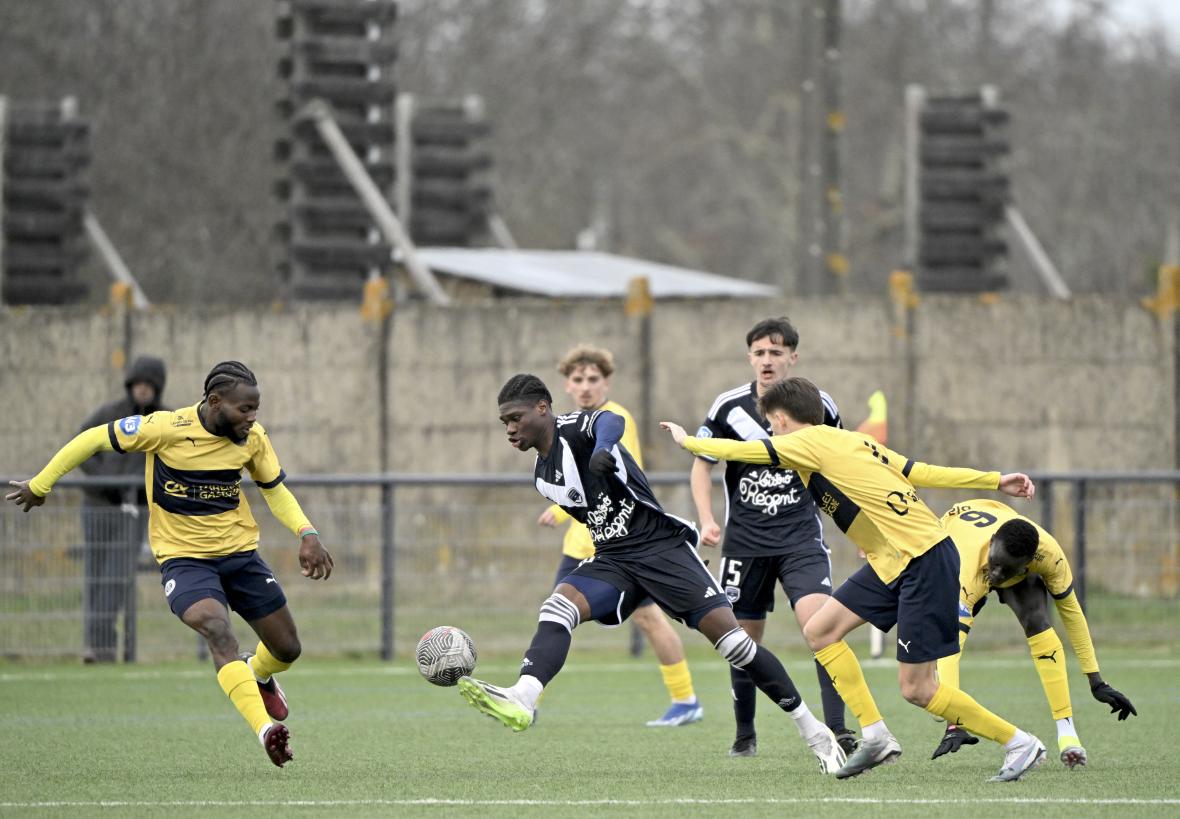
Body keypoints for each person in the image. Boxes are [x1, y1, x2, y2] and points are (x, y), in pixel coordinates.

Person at [661, 376, 1047, 782]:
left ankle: (1019, 742)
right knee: (820, 630)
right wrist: (994, 479)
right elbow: (921, 470)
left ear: (782, 419)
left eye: (773, 425)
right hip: (891, 561)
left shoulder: (806, 441)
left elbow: (742, 451)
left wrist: (690, 442)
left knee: (917, 689)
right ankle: (876, 735)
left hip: (923, 559)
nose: (774, 433)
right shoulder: (855, 441)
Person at [460, 374, 846, 774]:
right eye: (503, 421)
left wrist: (605, 450)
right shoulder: (542, 476)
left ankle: (816, 734)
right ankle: (523, 695)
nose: (509, 428)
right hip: (613, 557)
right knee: (558, 607)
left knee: (736, 646)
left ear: (542, 408)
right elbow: (594, 516)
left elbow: (612, 422)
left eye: (515, 417)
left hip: (661, 549)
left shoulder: (575, 427)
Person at [6, 361, 333, 768]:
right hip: (184, 560)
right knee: (217, 629)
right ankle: (266, 730)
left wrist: (307, 533)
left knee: (287, 648)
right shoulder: (165, 428)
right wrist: (40, 484)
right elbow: (91, 438)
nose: (252, 419)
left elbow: (274, 490)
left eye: (256, 409)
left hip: (240, 556)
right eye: (244, 410)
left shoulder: (253, 439)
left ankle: (259, 673)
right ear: (215, 402)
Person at [689, 317, 853, 757]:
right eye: (759, 352)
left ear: (792, 357)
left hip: (801, 540)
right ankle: (745, 736)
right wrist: (706, 518)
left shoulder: (820, 404)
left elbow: (843, 464)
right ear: (749, 358)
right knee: (741, 641)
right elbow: (702, 464)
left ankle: (839, 730)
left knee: (822, 628)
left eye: (776, 352)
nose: (767, 360)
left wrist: (858, 524)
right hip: (745, 545)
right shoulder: (728, 407)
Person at [537, 345, 702, 727]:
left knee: (649, 620)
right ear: (567, 384)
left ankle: (686, 699)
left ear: (607, 382)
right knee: (554, 614)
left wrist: (562, 509)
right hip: (580, 545)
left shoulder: (615, 419)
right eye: (578, 380)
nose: (585, 387)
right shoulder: (565, 423)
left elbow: (613, 478)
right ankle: (528, 697)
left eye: (593, 379)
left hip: (620, 545)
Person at [930, 499, 1136, 768]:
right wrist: (954, 721)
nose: (997, 574)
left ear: (1028, 564)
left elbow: (1071, 613)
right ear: (993, 543)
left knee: (1038, 619)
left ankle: (1067, 733)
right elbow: (952, 643)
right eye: (996, 565)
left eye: (1008, 569)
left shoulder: (1049, 555)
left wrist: (1095, 680)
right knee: (938, 643)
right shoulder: (965, 568)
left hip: (1001, 525)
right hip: (947, 538)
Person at [76, 355, 168, 663]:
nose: (143, 391)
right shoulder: (110, 414)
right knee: (94, 577)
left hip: (135, 509)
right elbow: (81, 447)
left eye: (149, 385)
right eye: (138, 384)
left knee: (115, 578)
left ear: (157, 388)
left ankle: (102, 647)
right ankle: (96, 646)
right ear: (130, 385)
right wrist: (107, 481)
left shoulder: (165, 420)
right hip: (98, 506)